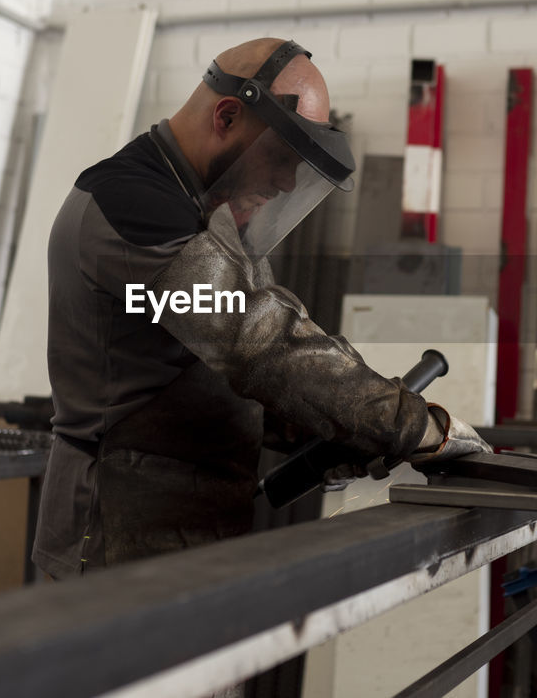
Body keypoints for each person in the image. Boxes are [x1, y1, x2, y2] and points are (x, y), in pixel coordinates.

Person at [33, 38, 491, 579]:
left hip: (182, 528)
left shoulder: (202, 212)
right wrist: (413, 427)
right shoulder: (133, 209)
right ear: (227, 115)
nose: (284, 182)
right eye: (280, 158)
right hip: (113, 532)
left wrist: (323, 428)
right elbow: (259, 343)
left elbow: (208, 368)